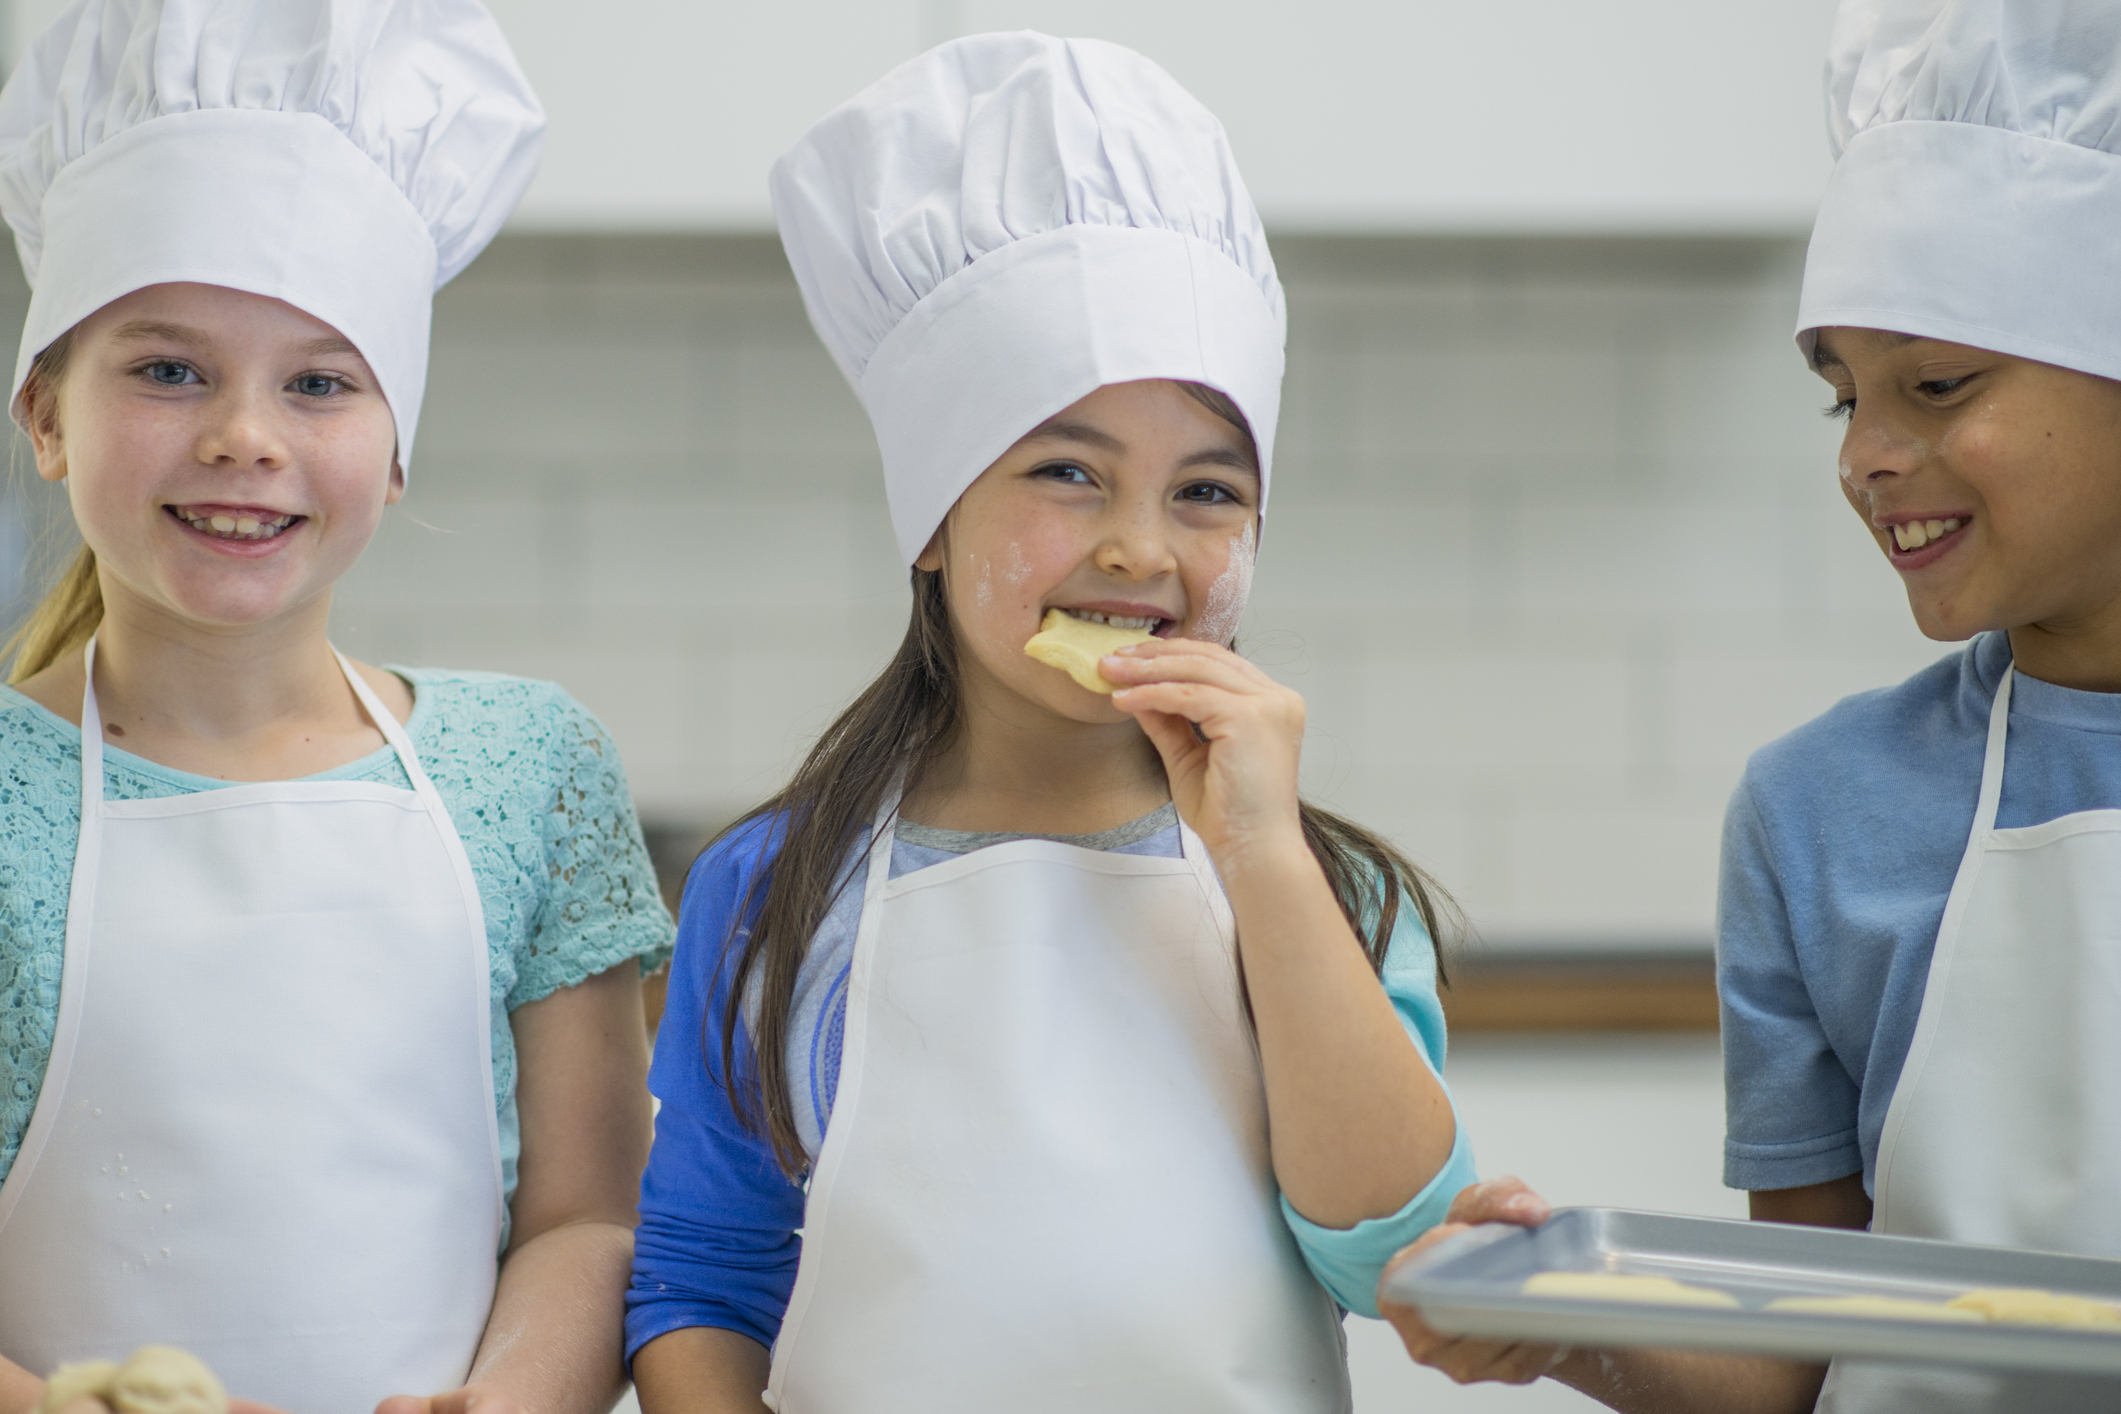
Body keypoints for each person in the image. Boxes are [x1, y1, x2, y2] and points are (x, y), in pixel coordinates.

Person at [625, 33, 1479, 1414]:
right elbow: (706, 1272)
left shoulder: (1327, 886)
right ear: (929, 518)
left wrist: (1261, 859)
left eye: (1207, 492)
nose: (1142, 549)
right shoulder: (770, 889)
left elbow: (1388, 1247)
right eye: (1068, 472)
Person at [1379, 2, 2121, 1410]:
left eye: (1936, 383)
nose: (1868, 456)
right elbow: (1803, 1354)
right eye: (1840, 396)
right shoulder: (1817, 813)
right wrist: (1567, 1321)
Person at [0, 4, 672, 1414]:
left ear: (399, 445)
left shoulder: (529, 768)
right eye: (169, 368)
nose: (246, 434)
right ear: (46, 414)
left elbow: (589, 1214)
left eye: (320, 382)